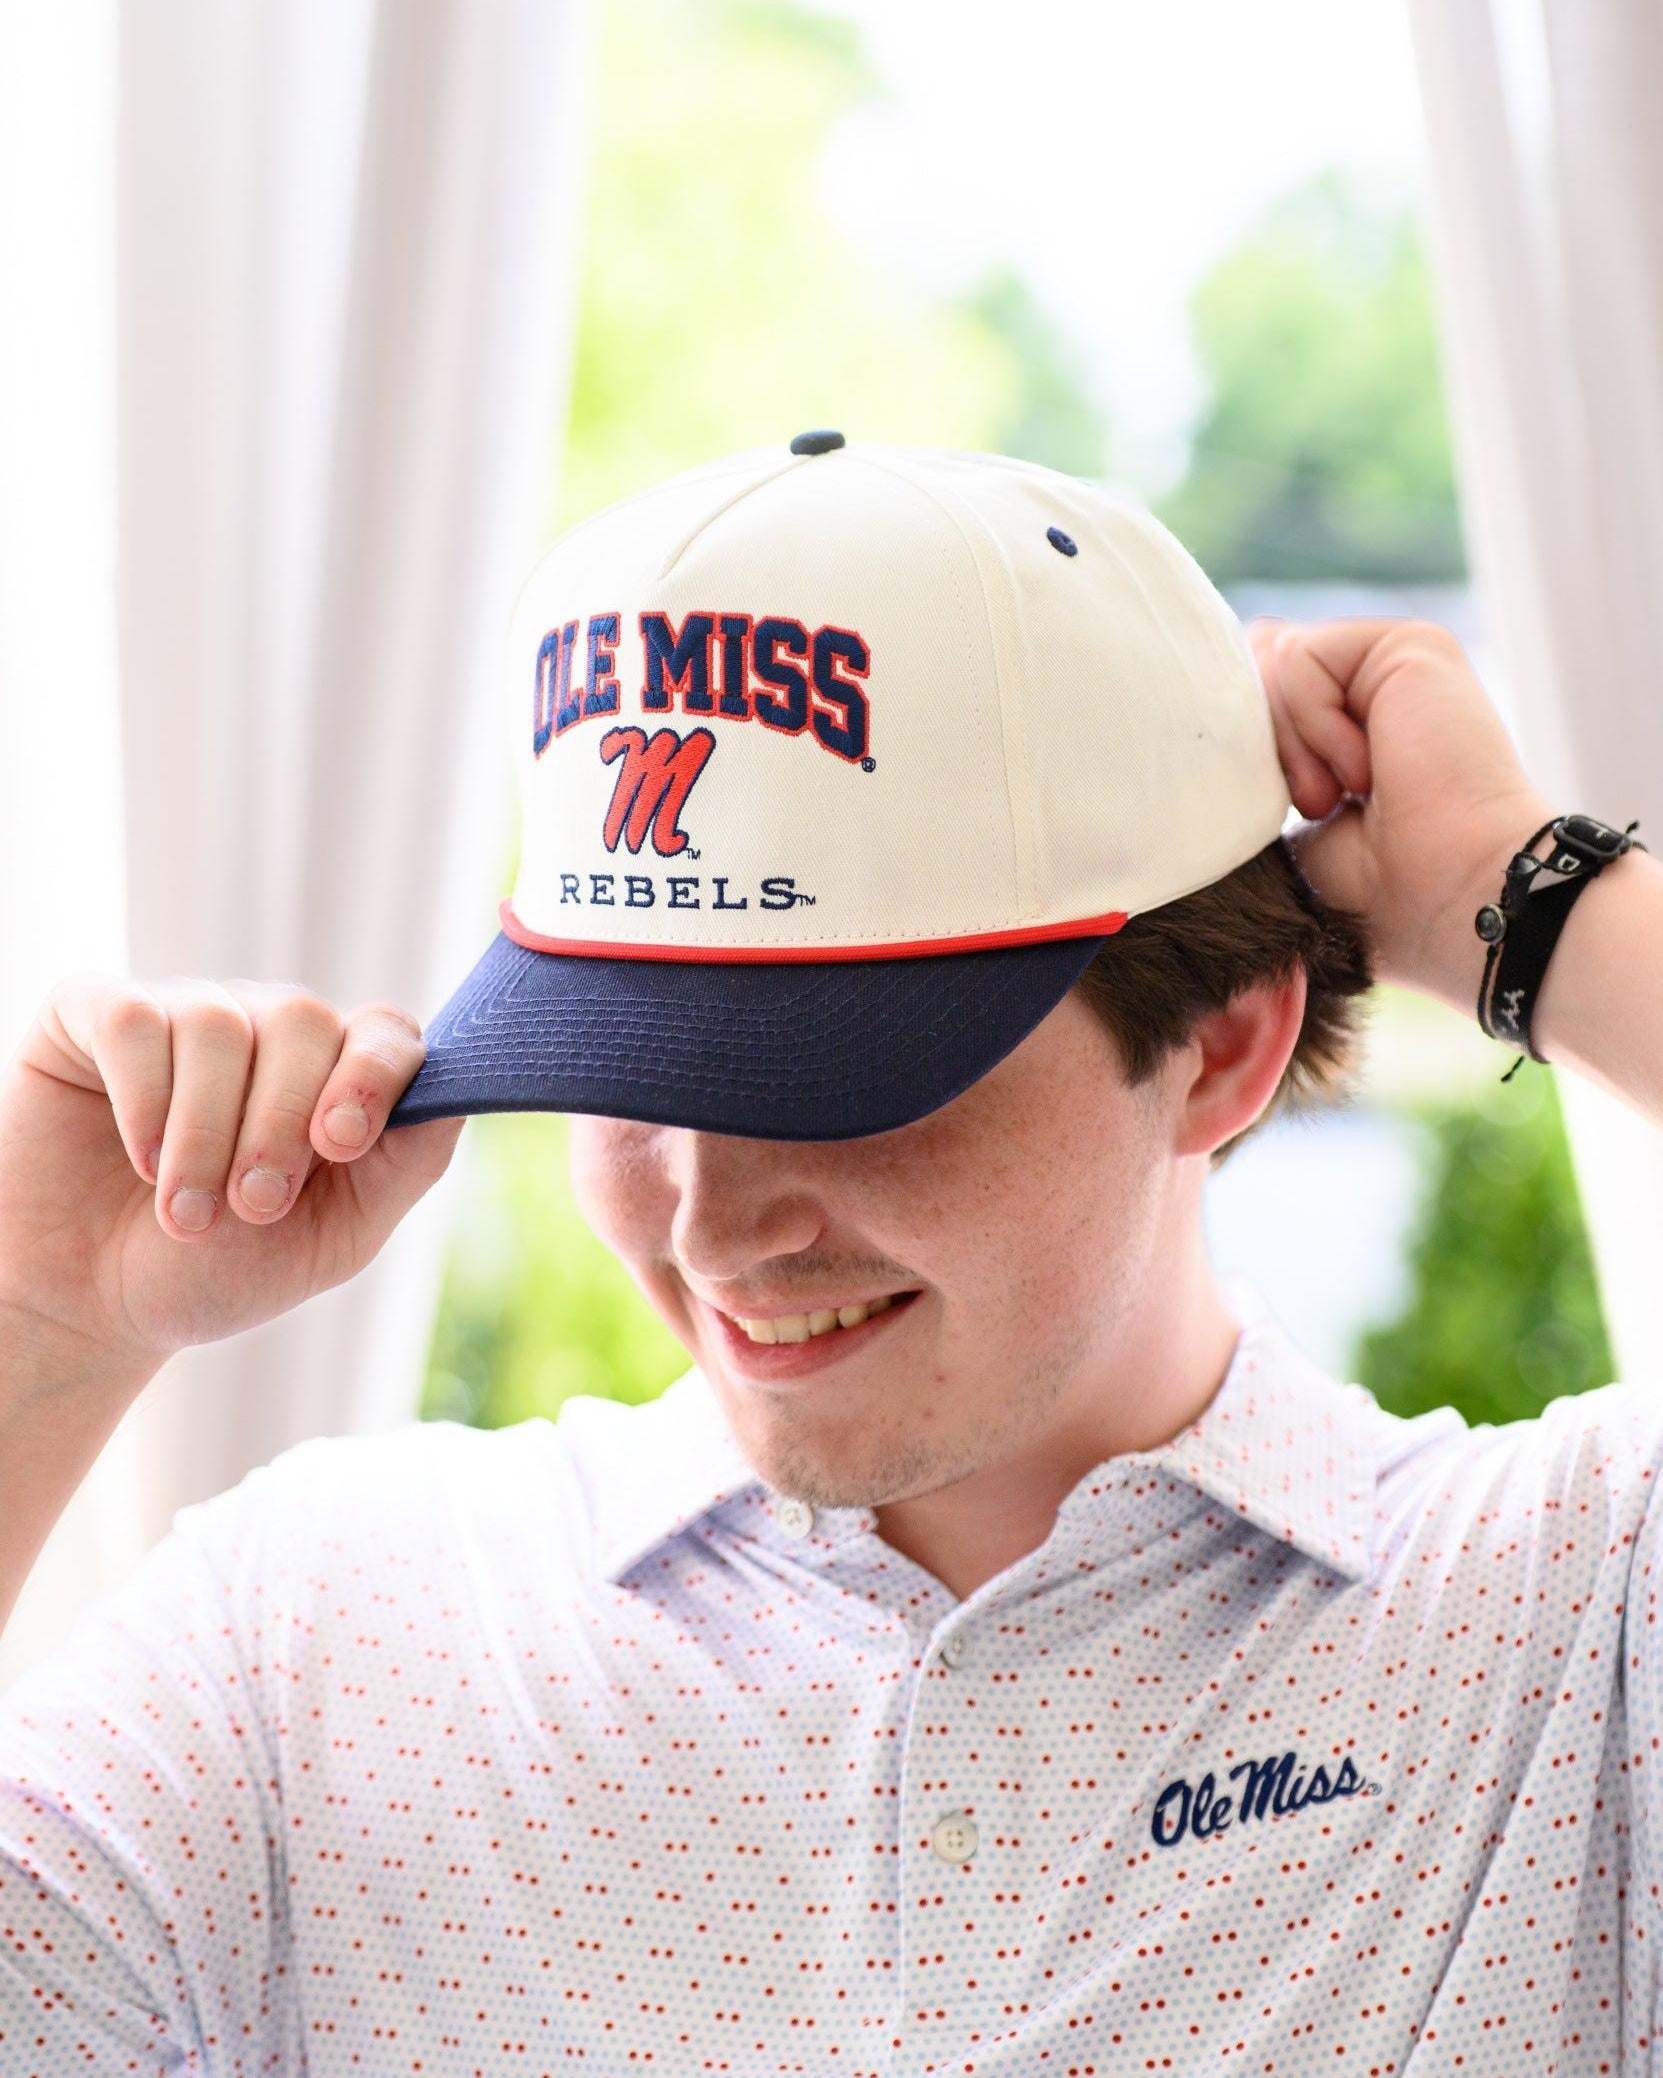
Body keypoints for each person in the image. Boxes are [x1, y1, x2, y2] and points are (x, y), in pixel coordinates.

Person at [1, 435, 1660, 2075]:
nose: (712, 1222)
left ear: (1222, 1044)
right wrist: (37, 1315)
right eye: (627, 1073)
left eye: (830, 1080)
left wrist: (1522, 898)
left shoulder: (1570, 1644)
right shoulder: (317, 1645)